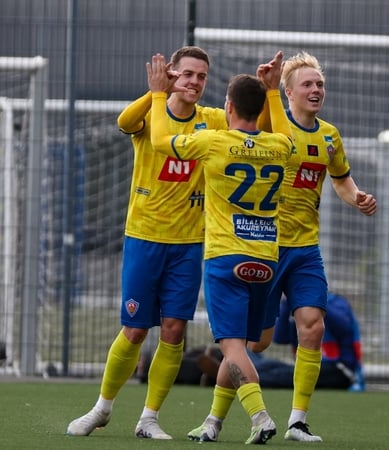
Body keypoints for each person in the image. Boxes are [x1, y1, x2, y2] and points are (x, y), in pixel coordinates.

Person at [67, 46, 228, 440]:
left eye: (201, 76)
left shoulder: (214, 121)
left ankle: (149, 418)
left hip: (190, 243)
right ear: (171, 74)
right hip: (144, 238)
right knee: (136, 330)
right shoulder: (152, 112)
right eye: (186, 73)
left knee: (174, 331)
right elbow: (124, 120)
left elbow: (248, 123)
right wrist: (156, 92)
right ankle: (102, 408)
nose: (193, 82)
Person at [149, 52, 293, 444]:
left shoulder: (213, 141)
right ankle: (212, 422)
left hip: (226, 259)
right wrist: (274, 93)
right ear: (261, 108)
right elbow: (285, 133)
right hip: (266, 258)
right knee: (245, 347)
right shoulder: (281, 145)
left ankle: (260, 416)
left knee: (232, 348)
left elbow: (161, 140)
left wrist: (159, 95)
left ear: (228, 107)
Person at [247, 51, 377, 443]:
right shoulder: (270, 123)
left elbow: (340, 178)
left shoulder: (329, 135)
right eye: (308, 84)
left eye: (319, 84)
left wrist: (356, 197)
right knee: (256, 341)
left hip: (305, 248)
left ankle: (297, 421)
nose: (316, 89)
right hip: (266, 247)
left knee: (313, 328)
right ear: (288, 92)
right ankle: (217, 413)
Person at [198, 293, 365, 391]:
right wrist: (286, 303)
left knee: (278, 376)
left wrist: (315, 303)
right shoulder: (294, 306)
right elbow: (281, 337)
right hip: (304, 366)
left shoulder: (335, 302)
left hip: (338, 370)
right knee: (268, 364)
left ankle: (233, 375)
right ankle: (225, 359)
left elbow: (344, 328)